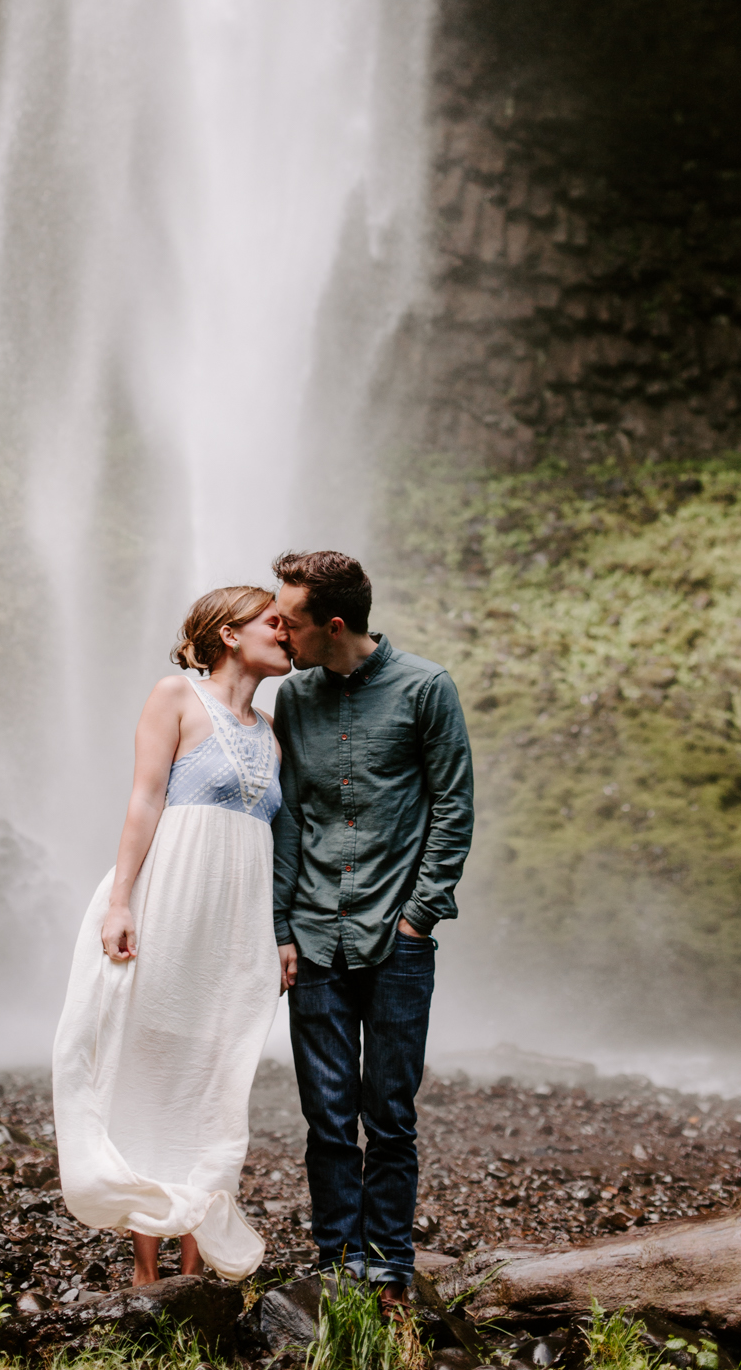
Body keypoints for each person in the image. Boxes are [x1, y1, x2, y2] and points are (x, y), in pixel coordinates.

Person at [53, 585, 290, 1284]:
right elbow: (144, 797)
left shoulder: (272, 732)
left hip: (237, 926)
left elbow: (279, 841)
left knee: (221, 1070)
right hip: (170, 902)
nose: (288, 633)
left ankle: (194, 1255)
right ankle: (145, 1265)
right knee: (150, 1061)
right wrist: (120, 901)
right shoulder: (176, 698)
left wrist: (279, 935)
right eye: (273, 622)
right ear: (226, 633)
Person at [270, 549, 473, 1311]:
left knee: (388, 1114)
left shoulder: (425, 688)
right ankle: (335, 1261)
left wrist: (421, 916)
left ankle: (389, 1262)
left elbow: (453, 809)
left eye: (286, 619)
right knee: (325, 1117)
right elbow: (288, 815)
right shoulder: (291, 698)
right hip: (315, 936)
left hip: (397, 940)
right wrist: (280, 924)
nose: (275, 630)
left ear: (331, 623)